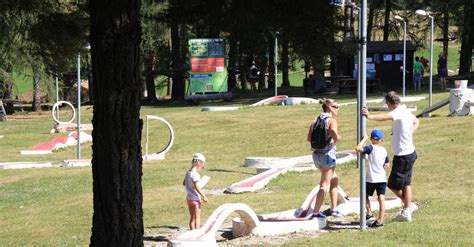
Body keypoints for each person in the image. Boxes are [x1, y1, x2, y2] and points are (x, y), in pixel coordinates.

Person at [362, 91, 420, 222]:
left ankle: (408, 207)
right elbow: (417, 121)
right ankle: (408, 209)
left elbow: (384, 116)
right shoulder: (405, 110)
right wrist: (409, 134)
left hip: (402, 155)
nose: (387, 106)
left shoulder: (397, 112)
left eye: (387, 104)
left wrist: (369, 116)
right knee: (406, 184)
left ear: (390, 103)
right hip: (410, 153)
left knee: (393, 185)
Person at [307, 98, 342, 218]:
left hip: (316, 155)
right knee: (324, 184)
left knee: (334, 179)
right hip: (327, 154)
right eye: (336, 106)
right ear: (330, 108)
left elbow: (309, 138)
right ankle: (316, 212)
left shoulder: (316, 120)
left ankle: (334, 208)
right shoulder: (332, 120)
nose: (338, 108)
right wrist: (337, 137)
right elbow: (333, 131)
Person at [355, 130, 390, 228]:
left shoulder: (370, 148)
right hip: (382, 179)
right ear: (381, 140)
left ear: (371, 139)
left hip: (371, 179)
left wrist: (364, 139)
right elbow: (387, 164)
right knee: (381, 199)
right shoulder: (384, 150)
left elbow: (358, 148)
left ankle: (369, 213)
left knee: (364, 196)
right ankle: (380, 221)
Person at [183, 153, 208, 229]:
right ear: (199, 164)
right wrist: (204, 196)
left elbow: (184, 183)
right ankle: (197, 235)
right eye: (202, 166)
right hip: (195, 199)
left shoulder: (188, 173)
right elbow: (197, 187)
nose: (202, 168)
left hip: (189, 199)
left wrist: (191, 184)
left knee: (192, 218)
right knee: (197, 218)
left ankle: (192, 234)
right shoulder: (195, 174)